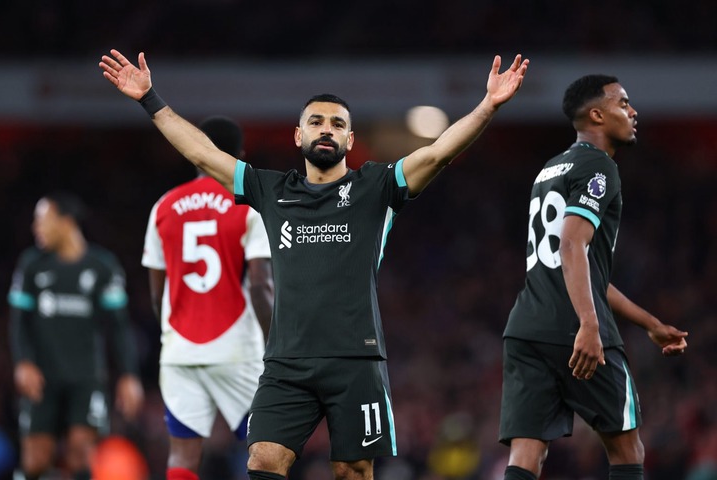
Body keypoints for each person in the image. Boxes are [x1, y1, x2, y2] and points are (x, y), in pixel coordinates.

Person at [99, 48, 529, 480]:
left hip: (356, 362)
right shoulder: (270, 190)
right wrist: (149, 98)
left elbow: (436, 154)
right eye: (317, 122)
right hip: (286, 363)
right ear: (298, 136)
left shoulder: (375, 187)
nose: (327, 130)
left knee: (353, 471)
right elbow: (204, 154)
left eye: (338, 124)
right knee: (263, 460)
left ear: (350, 141)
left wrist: (487, 106)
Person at [499, 75, 689, 480]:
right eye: (623, 103)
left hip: (526, 328)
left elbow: (584, 270)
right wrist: (588, 323)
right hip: (574, 326)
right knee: (626, 449)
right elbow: (571, 248)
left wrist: (649, 324)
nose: (633, 112)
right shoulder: (600, 166)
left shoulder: (549, 170)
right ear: (598, 114)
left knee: (526, 455)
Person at [141, 115, 274, 480]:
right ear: (240, 155)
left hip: (180, 349)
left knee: (182, 456)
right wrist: (276, 343)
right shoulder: (248, 206)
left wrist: (175, 332)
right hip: (237, 349)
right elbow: (262, 286)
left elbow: (157, 295)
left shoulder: (163, 207)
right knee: (266, 451)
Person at [8, 191, 144, 480]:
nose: (36, 227)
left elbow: (118, 327)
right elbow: (18, 322)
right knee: (35, 461)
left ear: (66, 222)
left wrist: (128, 374)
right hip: (42, 378)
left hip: (86, 378)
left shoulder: (102, 267)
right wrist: (23, 362)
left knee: (80, 454)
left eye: (42, 220)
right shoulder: (32, 265)